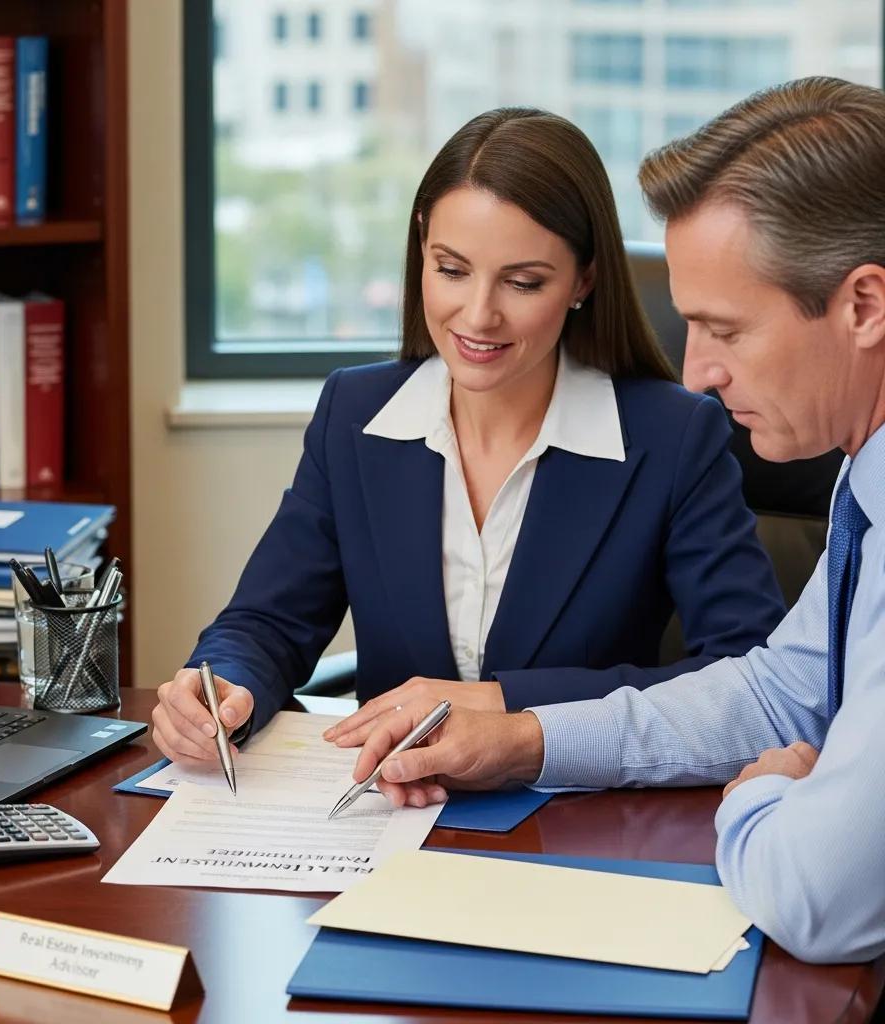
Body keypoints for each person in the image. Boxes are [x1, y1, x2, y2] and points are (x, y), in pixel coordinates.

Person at [350, 77, 885, 964]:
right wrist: (524, 741)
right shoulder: (863, 480)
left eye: (724, 329)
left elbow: (819, 902)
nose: (699, 372)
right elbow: (773, 692)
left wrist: (762, 799)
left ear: (864, 305)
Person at [151, 107, 784, 797]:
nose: (478, 315)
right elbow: (267, 622)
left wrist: (504, 702)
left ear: (583, 280)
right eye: (452, 270)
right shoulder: (356, 416)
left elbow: (747, 676)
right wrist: (220, 685)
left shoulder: (671, 436)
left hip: (575, 819)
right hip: (390, 813)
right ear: (422, 248)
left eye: (523, 282)